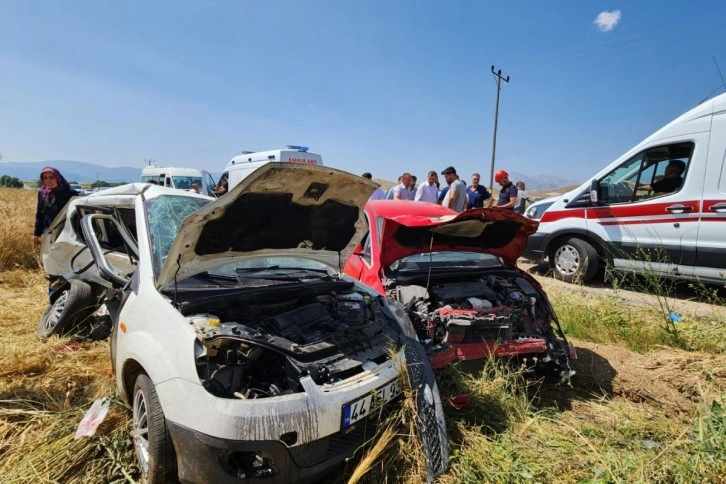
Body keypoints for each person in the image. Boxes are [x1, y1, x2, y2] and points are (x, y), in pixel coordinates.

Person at [33, 167, 79, 245]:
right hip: (48, 232)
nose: (48, 181)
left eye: (51, 177)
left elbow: (76, 215)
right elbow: (40, 215)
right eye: (45, 178)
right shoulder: (42, 193)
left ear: (58, 178)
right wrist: (37, 233)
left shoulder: (70, 193)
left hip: (66, 232)